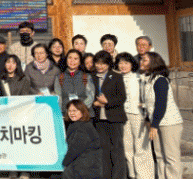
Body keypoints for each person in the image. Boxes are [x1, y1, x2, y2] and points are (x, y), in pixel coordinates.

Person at [141, 52, 184, 179]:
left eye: (144, 60)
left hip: (169, 123)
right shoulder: (149, 79)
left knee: (171, 157)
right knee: (159, 155)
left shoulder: (160, 80)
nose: (141, 62)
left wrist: (154, 125)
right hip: (157, 122)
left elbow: (161, 104)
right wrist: (149, 121)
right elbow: (149, 104)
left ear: (153, 63)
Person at [116, 52, 153, 179]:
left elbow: (147, 96)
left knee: (141, 145)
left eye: (126, 63)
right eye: (120, 63)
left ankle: (144, 175)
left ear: (132, 64)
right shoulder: (116, 78)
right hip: (122, 116)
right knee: (127, 146)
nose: (123, 66)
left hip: (138, 115)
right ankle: (132, 174)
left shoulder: (139, 78)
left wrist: (147, 114)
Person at [91, 50, 127, 179]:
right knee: (103, 150)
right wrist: (94, 103)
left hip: (114, 118)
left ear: (108, 64)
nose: (100, 66)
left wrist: (107, 102)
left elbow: (122, 97)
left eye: (103, 63)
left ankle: (119, 176)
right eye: (97, 63)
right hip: (99, 120)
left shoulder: (116, 76)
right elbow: (88, 95)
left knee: (117, 149)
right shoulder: (92, 77)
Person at [0, 54, 31, 179]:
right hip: (5, 116)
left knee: (22, 143)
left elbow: (25, 97)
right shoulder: (0, 79)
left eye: (13, 62)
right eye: (8, 62)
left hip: (20, 115)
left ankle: (24, 170)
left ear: (17, 65)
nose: (10, 65)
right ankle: (12, 169)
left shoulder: (23, 79)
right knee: (10, 144)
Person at [62, 100, 103, 179]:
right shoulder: (76, 125)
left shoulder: (83, 128)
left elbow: (75, 149)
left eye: (75, 111)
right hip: (82, 167)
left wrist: (64, 163)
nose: (71, 113)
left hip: (86, 169)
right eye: (69, 111)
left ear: (82, 112)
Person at [54, 49, 94, 116]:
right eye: (70, 58)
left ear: (80, 61)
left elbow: (91, 96)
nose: (72, 61)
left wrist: (79, 109)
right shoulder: (59, 77)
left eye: (75, 59)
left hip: (84, 114)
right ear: (66, 60)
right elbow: (58, 97)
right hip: (66, 114)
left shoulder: (86, 76)